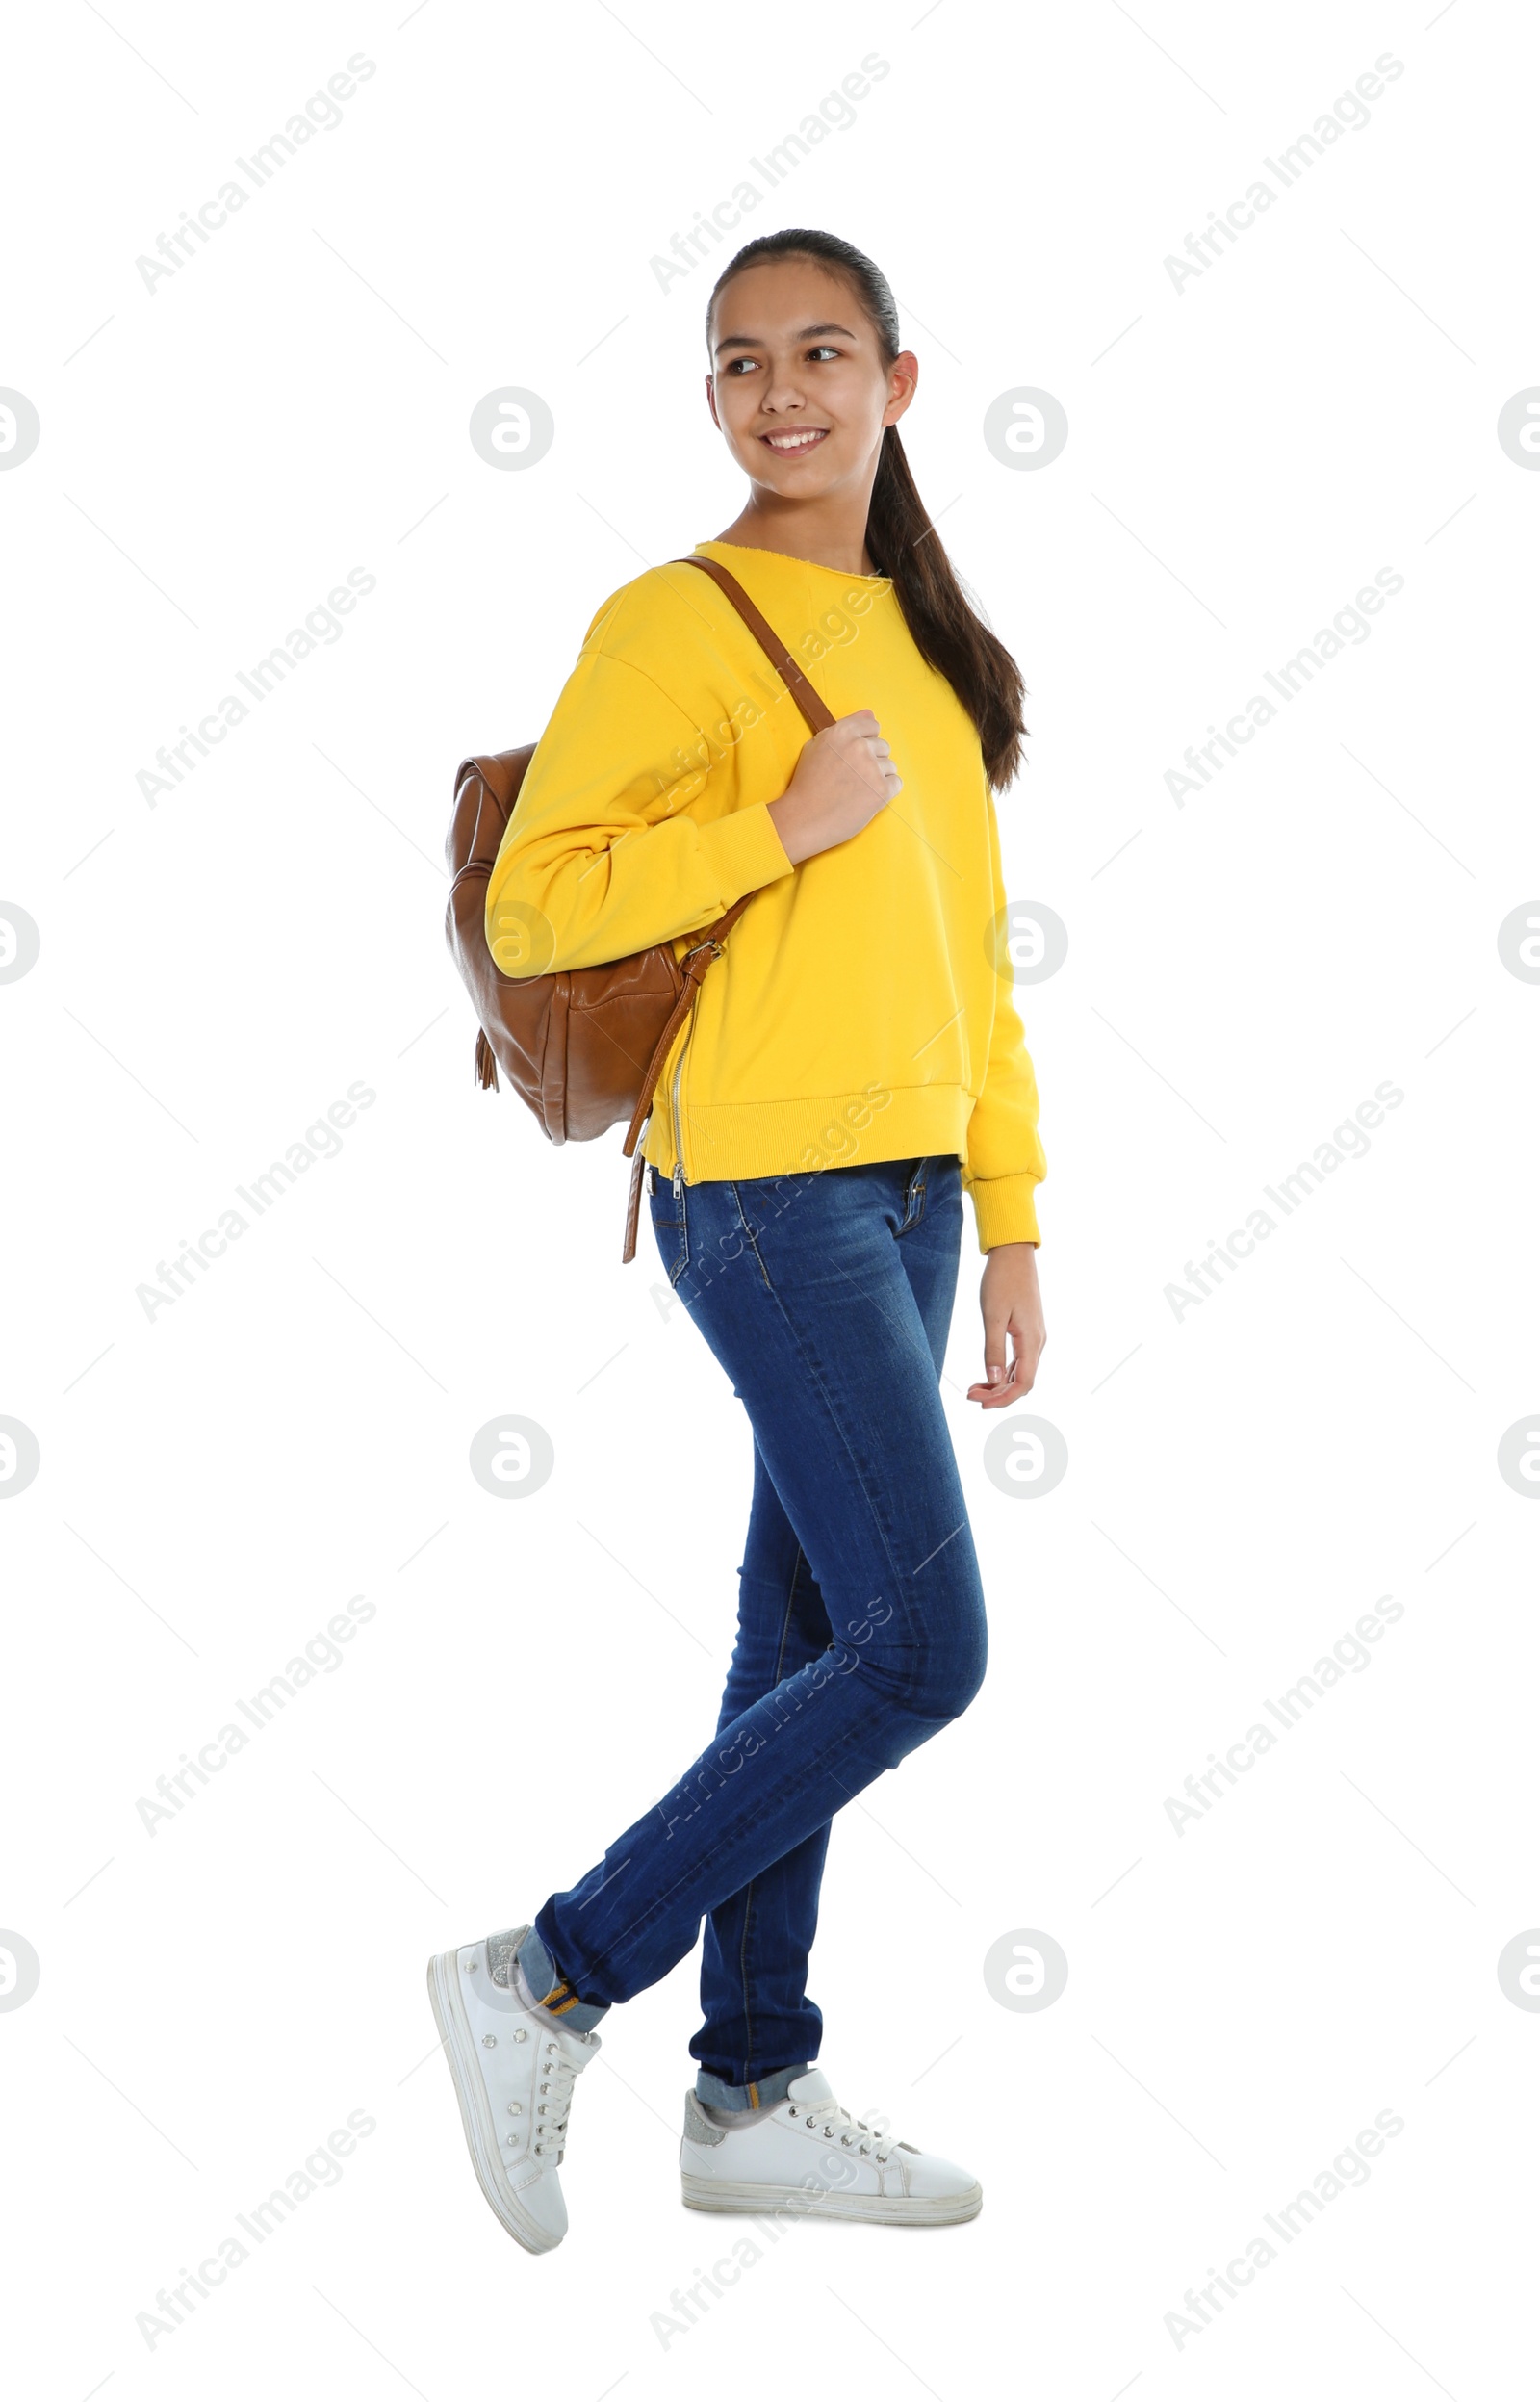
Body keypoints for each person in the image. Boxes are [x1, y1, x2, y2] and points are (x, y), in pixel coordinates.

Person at [427, 227, 1047, 2253]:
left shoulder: (932, 654)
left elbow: (977, 968)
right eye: (737, 364)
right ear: (709, 400)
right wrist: (766, 827)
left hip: (912, 1195)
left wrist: (1013, 1217)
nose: (778, 393)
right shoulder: (668, 624)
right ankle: (548, 1973)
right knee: (917, 1649)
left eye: (818, 354)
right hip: (762, 1195)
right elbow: (534, 910)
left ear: (895, 381)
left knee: (806, 1644)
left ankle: (752, 2087)